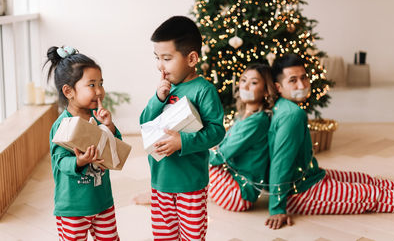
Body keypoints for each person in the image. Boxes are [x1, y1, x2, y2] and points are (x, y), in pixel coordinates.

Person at [265, 53, 394, 230]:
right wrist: (276, 208)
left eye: (304, 77)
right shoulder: (292, 115)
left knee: (364, 179)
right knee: (374, 194)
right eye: (293, 80)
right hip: (301, 192)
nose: (302, 85)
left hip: (312, 175)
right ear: (279, 87)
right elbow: (280, 162)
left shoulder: (286, 107)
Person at [140, 16, 225, 240]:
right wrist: (158, 98)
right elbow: (145, 123)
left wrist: (183, 142)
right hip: (160, 182)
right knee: (163, 235)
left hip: (190, 184)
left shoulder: (203, 90)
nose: (160, 65)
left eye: (167, 58)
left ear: (192, 58)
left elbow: (217, 131)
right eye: (157, 58)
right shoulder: (165, 89)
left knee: (192, 235)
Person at [46, 46, 120, 240]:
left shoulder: (98, 119)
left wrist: (109, 126)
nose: (99, 91)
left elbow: (116, 150)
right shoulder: (61, 124)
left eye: (101, 84)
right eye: (92, 85)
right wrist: (80, 161)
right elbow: (60, 161)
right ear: (69, 91)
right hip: (72, 207)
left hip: (102, 202)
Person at [209, 64, 277, 211]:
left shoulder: (257, 121)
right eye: (243, 80)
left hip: (240, 194)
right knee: (197, 159)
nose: (245, 86)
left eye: (253, 83)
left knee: (193, 161)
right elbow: (222, 146)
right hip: (233, 181)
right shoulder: (244, 116)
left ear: (265, 90)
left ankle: (172, 195)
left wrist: (193, 150)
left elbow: (220, 155)